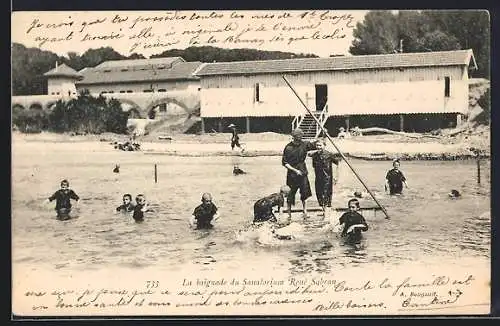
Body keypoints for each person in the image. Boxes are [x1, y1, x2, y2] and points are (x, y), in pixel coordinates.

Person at [282, 128, 318, 222]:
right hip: (292, 174)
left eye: (301, 136)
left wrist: (323, 136)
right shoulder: (288, 147)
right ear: (294, 137)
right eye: (298, 136)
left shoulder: (304, 144)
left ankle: (305, 211)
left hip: (303, 171)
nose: (300, 137)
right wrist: (295, 170)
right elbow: (285, 163)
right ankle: (289, 213)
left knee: (304, 193)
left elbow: (316, 145)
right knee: (290, 194)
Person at [307, 139, 341, 215]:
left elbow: (337, 164)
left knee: (326, 193)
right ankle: (323, 209)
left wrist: (336, 176)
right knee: (318, 192)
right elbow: (313, 166)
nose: (318, 147)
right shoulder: (315, 155)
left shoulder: (329, 154)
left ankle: (326, 209)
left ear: (324, 146)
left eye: (320, 145)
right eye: (317, 145)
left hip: (327, 177)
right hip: (318, 177)